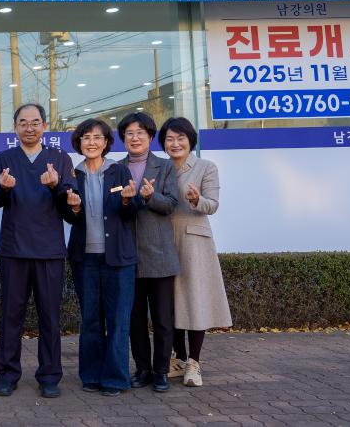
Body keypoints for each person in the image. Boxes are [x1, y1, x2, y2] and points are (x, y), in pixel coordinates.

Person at [0, 103, 76, 399]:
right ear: (15, 127)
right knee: (11, 316)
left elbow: (70, 205)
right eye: (23, 123)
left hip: (49, 250)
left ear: (44, 126)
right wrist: (3, 188)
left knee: (50, 317)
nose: (29, 128)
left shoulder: (60, 159)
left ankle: (49, 376)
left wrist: (55, 186)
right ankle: (7, 375)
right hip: (14, 249)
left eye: (35, 122)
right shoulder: (3, 159)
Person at [68, 118, 138, 398]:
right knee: (90, 320)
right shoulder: (72, 174)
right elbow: (66, 214)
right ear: (79, 142)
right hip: (84, 258)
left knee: (118, 320)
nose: (92, 142)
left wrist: (128, 200)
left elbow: (130, 213)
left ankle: (116, 378)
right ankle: (91, 375)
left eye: (97, 137)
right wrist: (73, 209)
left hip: (118, 258)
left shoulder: (119, 171)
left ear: (107, 142)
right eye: (86, 137)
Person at [159, 117, 232, 387]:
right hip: (165, 239)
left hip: (194, 241)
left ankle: (194, 362)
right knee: (171, 302)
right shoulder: (161, 167)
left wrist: (196, 199)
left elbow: (212, 204)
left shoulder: (205, 167)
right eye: (169, 139)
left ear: (190, 140)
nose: (175, 143)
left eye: (180, 138)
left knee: (195, 299)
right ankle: (178, 359)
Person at [117, 112, 179, 393]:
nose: (135, 138)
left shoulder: (165, 167)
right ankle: (142, 369)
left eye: (140, 133)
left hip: (159, 256)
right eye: (129, 133)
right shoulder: (116, 168)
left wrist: (149, 196)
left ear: (150, 137)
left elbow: (171, 204)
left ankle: (161, 370)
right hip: (127, 256)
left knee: (163, 319)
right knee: (135, 319)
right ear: (123, 138)